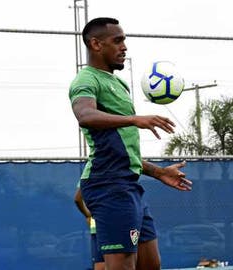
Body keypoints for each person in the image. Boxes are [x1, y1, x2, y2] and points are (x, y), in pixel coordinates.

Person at [69, 17, 193, 270]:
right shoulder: (86, 80)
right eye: (117, 41)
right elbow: (85, 115)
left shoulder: (118, 83)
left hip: (128, 185)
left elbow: (123, 150)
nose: (124, 47)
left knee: (151, 264)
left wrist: (158, 172)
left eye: (124, 40)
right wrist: (134, 119)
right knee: (122, 266)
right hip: (108, 185)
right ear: (96, 44)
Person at [73, 183, 105, 270]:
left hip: (99, 228)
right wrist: (87, 215)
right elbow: (78, 199)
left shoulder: (89, 172)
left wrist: (87, 215)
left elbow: (78, 199)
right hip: (103, 228)